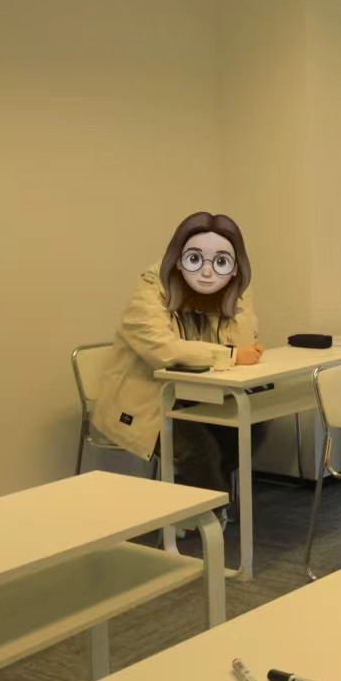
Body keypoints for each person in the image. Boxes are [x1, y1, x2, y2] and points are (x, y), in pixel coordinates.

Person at [92, 212, 266, 504]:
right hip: (148, 401)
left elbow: (243, 342)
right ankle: (203, 516)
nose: (208, 272)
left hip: (197, 394)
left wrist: (238, 293)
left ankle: (202, 502)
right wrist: (231, 355)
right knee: (201, 451)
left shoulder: (222, 288)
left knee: (252, 427)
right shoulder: (152, 287)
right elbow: (163, 350)